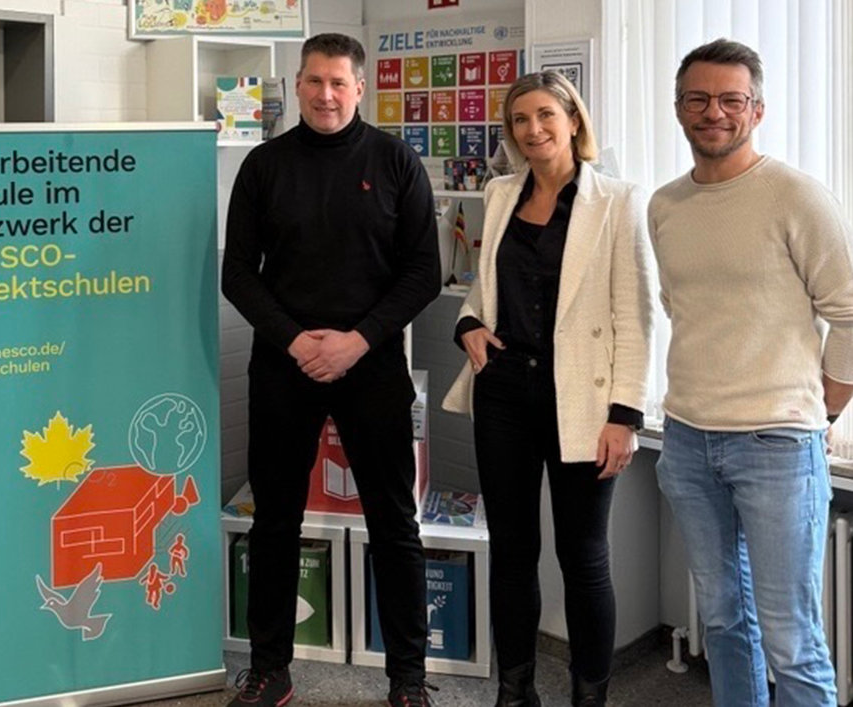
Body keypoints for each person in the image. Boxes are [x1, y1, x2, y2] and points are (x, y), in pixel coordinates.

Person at [221, 33, 441, 707]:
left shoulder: (396, 161)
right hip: (284, 364)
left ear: (360, 88)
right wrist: (296, 341)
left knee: (394, 522)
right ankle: (270, 668)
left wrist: (357, 341)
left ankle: (407, 678)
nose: (325, 95)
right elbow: (238, 274)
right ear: (297, 84)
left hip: (371, 365)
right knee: (275, 520)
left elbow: (423, 273)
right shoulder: (264, 165)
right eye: (314, 81)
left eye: (339, 82)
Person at [649, 38, 853, 707]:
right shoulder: (665, 206)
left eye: (731, 100)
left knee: (792, 640)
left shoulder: (796, 196)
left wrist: (821, 409)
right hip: (686, 439)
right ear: (679, 108)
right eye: (698, 99)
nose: (714, 112)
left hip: (777, 445)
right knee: (723, 622)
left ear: (756, 110)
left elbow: (850, 314)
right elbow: (682, 308)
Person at [441, 71, 654, 707]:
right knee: (511, 551)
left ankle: (589, 699)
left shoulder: (617, 200)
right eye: (520, 120)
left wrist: (625, 415)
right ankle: (516, 693)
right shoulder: (501, 192)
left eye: (545, 116)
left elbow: (635, 317)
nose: (533, 130)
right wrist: (468, 325)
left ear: (573, 120)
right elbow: (485, 289)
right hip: (504, 392)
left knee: (583, 557)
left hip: (583, 401)